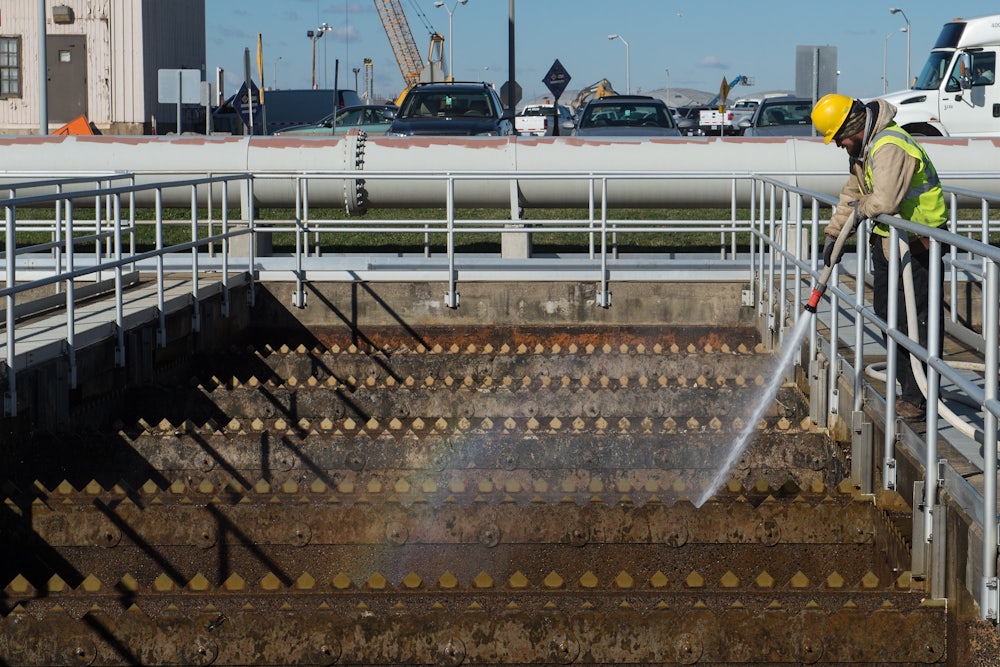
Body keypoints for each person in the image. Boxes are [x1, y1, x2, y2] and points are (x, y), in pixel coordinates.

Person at [810, 94, 947, 420]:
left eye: (839, 138)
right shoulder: (864, 150)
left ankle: (919, 398)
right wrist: (834, 234)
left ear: (853, 126)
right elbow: (853, 193)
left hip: (919, 246)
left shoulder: (889, 146)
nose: (839, 145)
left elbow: (883, 200)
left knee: (918, 322)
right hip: (890, 244)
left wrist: (857, 216)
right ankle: (910, 389)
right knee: (889, 315)